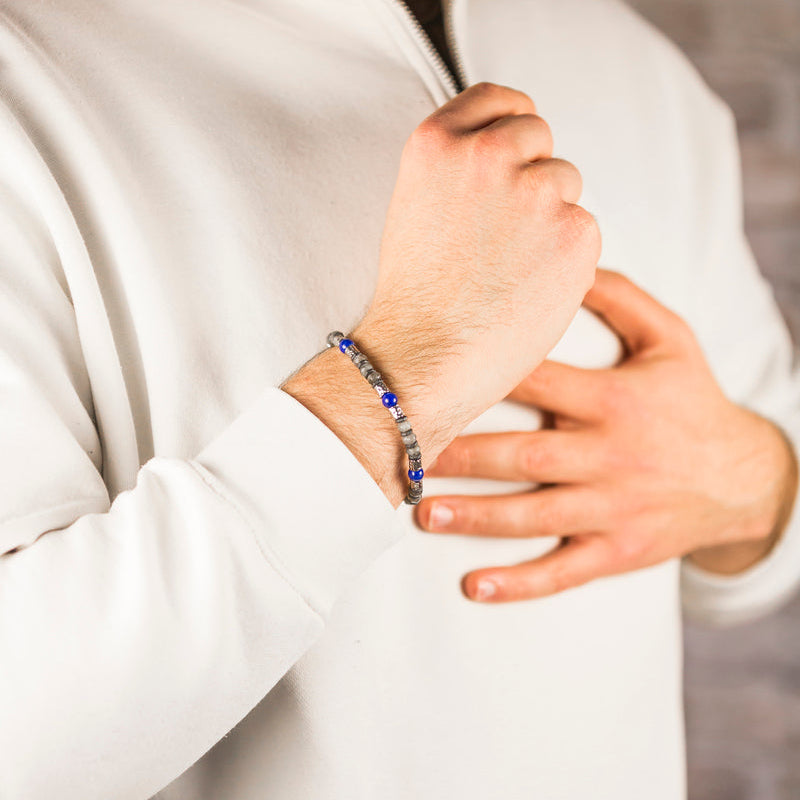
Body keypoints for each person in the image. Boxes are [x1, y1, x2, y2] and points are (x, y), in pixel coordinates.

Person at [0, 0, 797, 798]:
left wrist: (753, 479)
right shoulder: (22, 75)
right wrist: (399, 373)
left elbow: (768, 544)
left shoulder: (629, 58)